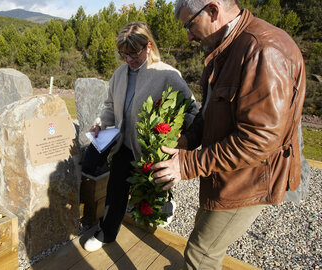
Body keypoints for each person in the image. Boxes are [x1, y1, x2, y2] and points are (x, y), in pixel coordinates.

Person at [151, 0, 306, 268]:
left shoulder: (263, 50)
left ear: (212, 10)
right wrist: (188, 139)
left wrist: (188, 163)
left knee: (201, 254)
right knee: (205, 236)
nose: (189, 36)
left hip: (247, 179)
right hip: (225, 172)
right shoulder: (226, 47)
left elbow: (259, 141)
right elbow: (211, 109)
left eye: (190, 24)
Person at [82, 21, 199, 252]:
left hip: (151, 151)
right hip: (123, 145)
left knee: (152, 192)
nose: (128, 60)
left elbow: (192, 110)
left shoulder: (167, 74)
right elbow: (110, 106)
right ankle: (106, 233)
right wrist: (100, 125)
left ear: (148, 46)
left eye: (133, 53)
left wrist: (176, 138)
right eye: (123, 54)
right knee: (115, 190)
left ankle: (165, 205)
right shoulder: (119, 74)